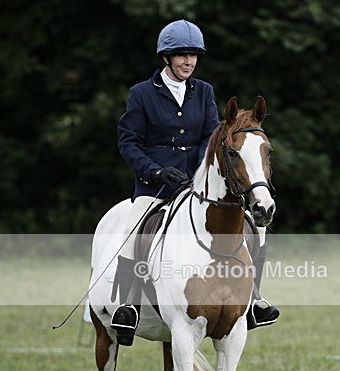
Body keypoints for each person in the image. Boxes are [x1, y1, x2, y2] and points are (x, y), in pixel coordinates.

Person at [111, 19, 279, 346]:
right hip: (156, 185)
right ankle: (128, 304)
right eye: (181, 55)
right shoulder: (142, 94)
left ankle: (254, 297)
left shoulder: (204, 92)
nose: (188, 62)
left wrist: (201, 169)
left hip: (197, 184)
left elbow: (211, 136)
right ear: (166, 58)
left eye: (193, 56)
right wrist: (154, 171)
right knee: (135, 222)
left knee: (253, 225)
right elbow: (128, 142)